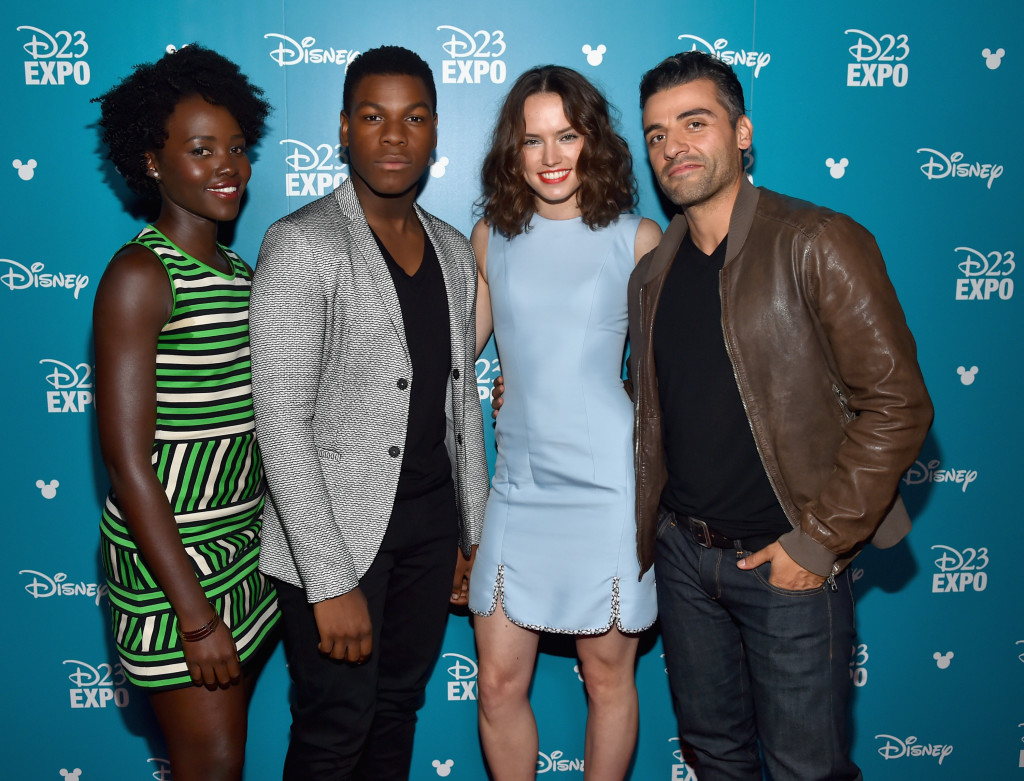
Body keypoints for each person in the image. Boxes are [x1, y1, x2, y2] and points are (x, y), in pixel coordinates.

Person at [627, 51, 934, 779]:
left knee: (805, 768)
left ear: (742, 133)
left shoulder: (817, 240)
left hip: (786, 562)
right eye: (657, 133)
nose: (674, 146)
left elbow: (898, 403)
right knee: (716, 757)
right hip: (684, 560)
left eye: (695, 123)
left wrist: (818, 541)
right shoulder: (651, 275)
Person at [248, 46, 489, 780]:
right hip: (334, 536)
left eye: (413, 117)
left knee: (396, 713)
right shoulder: (301, 243)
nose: (393, 135)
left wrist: (467, 530)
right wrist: (328, 578)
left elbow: (461, 401)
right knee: (335, 728)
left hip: (428, 528)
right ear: (345, 129)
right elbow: (280, 420)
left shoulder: (452, 249)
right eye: (374, 117)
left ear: (435, 130)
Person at [468, 66, 662, 781]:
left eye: (567, 136)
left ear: (594, 141)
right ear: (511, 152)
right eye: (533, 140)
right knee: (496, 682)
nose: (551, 157)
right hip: (518, 487)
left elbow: (675, 368)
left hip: (606, 485)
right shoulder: (490, 238)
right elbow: (457, 357)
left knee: (607, 679)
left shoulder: (637, 238)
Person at [92, 45, 279, 781]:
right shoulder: (140, 275)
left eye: (236, 147)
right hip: (176, 570)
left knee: (223, 756)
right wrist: (195, 616)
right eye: (201, 150)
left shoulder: (240, 272)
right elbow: (127, 461)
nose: (227, 165)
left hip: (243, 549)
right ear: (152, 162)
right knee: (212, 763)